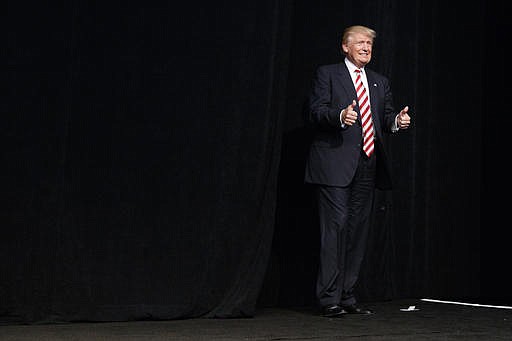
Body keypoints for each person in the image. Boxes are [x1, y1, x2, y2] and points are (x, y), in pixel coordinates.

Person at [304, 25, 411, 317]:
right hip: (334, 166)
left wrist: (396, 122)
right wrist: (339, 115)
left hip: (367, 165)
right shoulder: (328, 74)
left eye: (370, 44)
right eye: (361, 43)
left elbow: (385, 116)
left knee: (357, 233)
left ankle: (347, 296)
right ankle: (329, 300)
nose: (366, 48)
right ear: (345, 47)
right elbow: (315, 110)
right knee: (335, 230)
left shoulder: (379, 81)